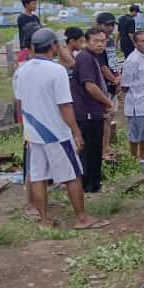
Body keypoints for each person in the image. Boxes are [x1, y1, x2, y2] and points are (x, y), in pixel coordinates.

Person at [15, 28, 110, 230]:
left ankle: (44, 220)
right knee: (72, 175)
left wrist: (25, 128)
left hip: (33, 133)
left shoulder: (21, 70)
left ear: (32, 47)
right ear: (54, 47)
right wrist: (76, 131)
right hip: (56, 133)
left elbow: (19, 102)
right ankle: (81, 218)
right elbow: (65, 106)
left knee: (39, 176)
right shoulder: (56, 71)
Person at [70, 27, 113, 193]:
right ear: (86, 42)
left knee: (95, 149)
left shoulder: (93, 57)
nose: (100, 44)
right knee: (89, 151)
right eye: (96, 41)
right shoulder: (86, 58)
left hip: (93, 111)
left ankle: (94, 183)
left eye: (103, 41)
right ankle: (88, 185)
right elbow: (90, 86)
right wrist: (107, 101)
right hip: (87, 112)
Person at [120, 30, 144, 162]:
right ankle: (133, 156)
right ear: (135, 43)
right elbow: (125, 84)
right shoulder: (132, 60)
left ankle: (143, 154)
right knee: (135, 132)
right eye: (142, 41)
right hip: (137, 101)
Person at [95, 12, 120, 161]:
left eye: (112, 24)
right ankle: (102, 150)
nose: (110, 27)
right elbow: (102, 66)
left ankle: (106, 147)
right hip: (103, 84)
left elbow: (112, 61)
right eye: (107, 25)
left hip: (113, 82)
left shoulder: (110, 41)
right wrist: (114, 80)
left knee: (110, 118)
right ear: (99, 25)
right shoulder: (98, 42)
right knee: (104, 119)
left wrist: (117, 78)